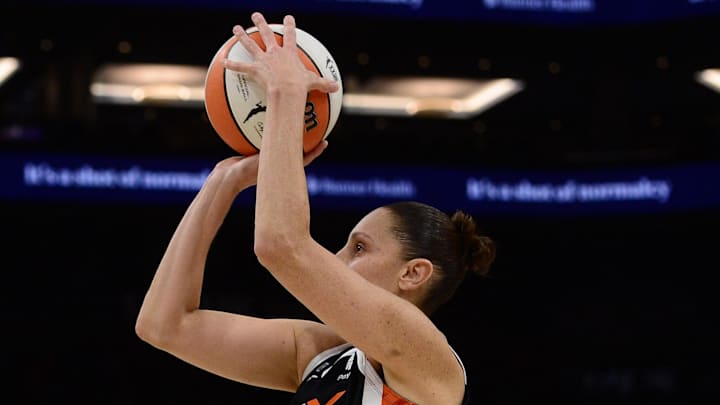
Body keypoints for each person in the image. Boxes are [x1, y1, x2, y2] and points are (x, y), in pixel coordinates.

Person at [135, 11, 496, 405]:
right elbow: (164, 325)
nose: (336, 258)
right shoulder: (321, 353)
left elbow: (281, 245)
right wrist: (222, 183)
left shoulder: (426, 354)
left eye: (359, 248)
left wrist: (287, 94)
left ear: (413, 273)